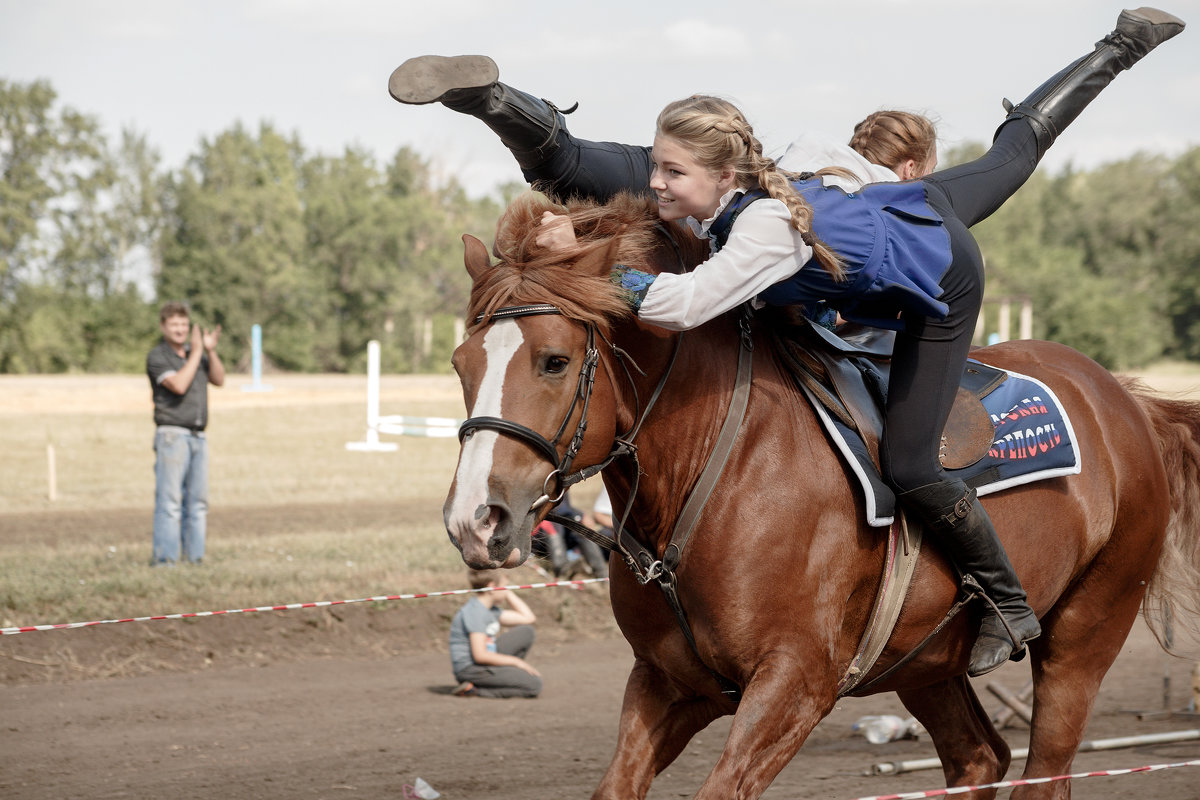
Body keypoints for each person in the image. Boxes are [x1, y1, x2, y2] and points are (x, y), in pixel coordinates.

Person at [532, 7, 1185, 677]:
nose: (655, 183)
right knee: (1008, 158)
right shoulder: (737, 198)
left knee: (911, 463)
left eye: (671, 172)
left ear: (725, 176)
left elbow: (683, 306)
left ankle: (1006, 600)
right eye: (658, 167)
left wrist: (599, 271)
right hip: (912, 211)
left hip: (941, 281)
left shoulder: (763, 228)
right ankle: (1125, 43)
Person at [388, 59, 938, 199]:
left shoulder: (814, 147)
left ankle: (493, 99)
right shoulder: (885, 199)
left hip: (690, 158)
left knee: (566, 162)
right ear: (910, 167)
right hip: (706, 187)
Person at [146, 301, 224, 565]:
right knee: (170, 502)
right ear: (163, 326)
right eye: (174, 324)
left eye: (183, 324)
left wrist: (209, 352)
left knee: (198, 504)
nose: (180, 330)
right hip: (172, 435)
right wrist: (196, 353)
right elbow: (178, 385)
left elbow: (219, 379)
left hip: (198, 436)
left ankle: (195, 559)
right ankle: (165, 561)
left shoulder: (197, 354)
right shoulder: (158, 357)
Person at [448, 568, 543, 698]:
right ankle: (475, 690)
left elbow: (528, 618)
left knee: (526, 632)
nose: (507, 590)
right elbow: (480, 655)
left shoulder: (490, 610)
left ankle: (504, 677)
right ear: (492, 587)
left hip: (484, 660)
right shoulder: (476, 612)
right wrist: (516, 662)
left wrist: (505, 591)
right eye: (505, 586)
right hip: (471, 670)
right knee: (534, 685)